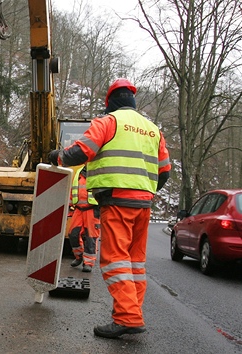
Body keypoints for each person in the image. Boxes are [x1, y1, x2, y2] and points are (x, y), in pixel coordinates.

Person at [48, 78, 171, 339]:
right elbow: (165, 171)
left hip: (117, 201)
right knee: (135, 263)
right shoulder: (152, 129)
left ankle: (128, 318)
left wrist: (56, 156)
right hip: (143, 204)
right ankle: (129, 314)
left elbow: (82, 151)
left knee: (115, 260)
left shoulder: (108, 122)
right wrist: (145, 190)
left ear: (110, 102)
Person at [67, 165, 100, 273]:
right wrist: (70, 205)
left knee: (91, 237)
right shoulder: (79, 172)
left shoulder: (98, 171)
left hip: (92, 209)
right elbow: (74, 189)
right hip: (78, 209)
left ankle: (88, 263)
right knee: (73, 234)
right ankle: (79, 256)